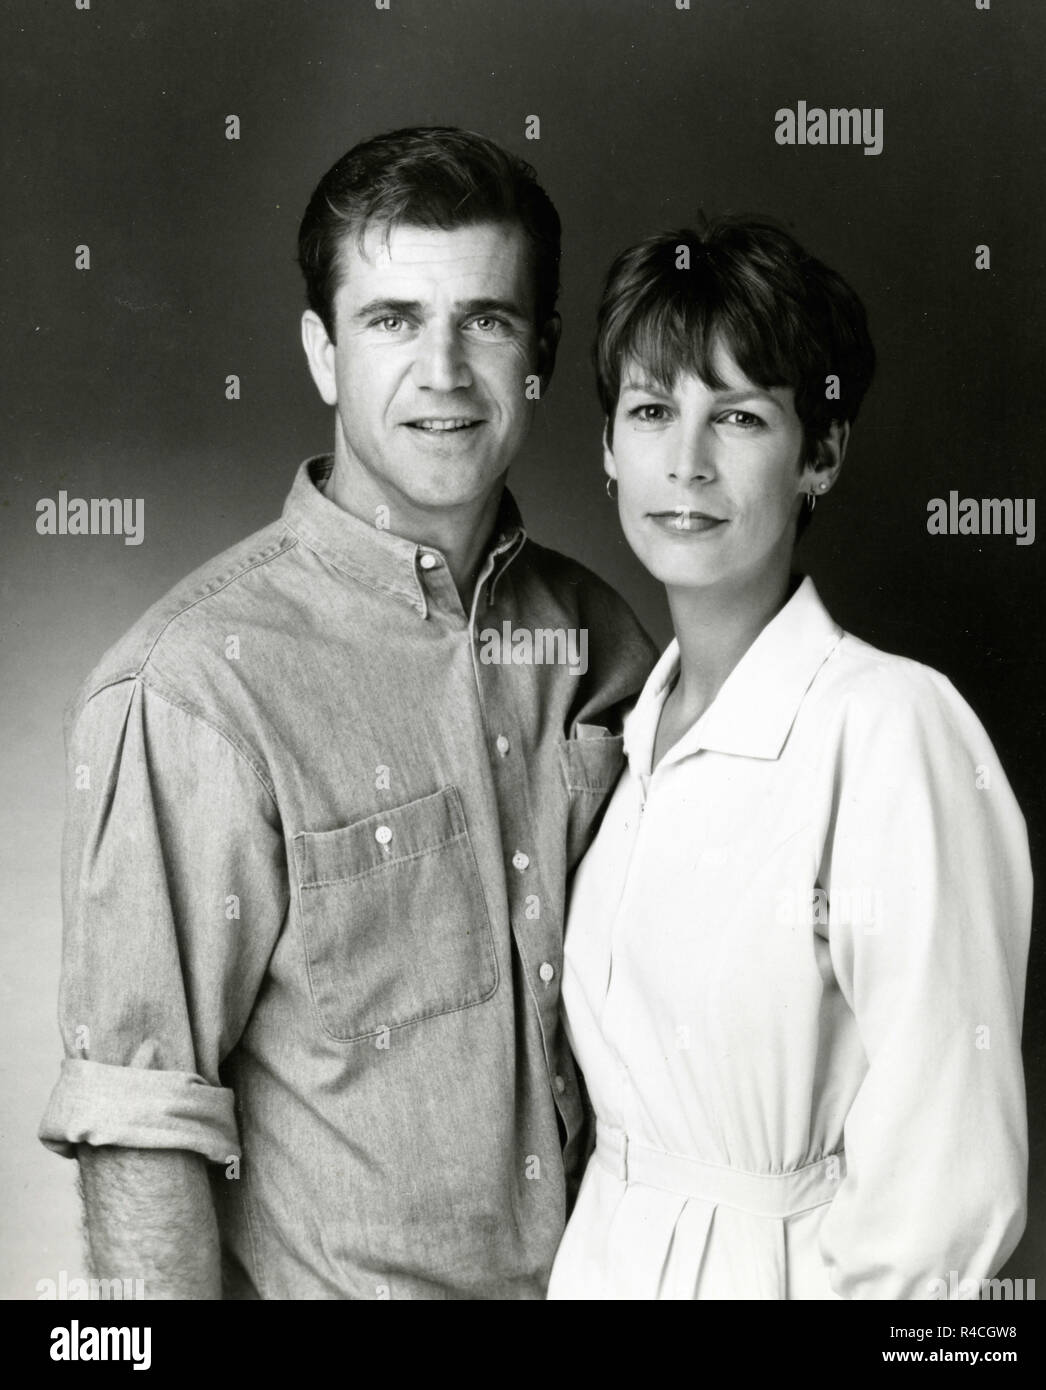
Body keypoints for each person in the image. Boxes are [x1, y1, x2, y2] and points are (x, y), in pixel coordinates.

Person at [38, 127, 657, 1300]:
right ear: (322, 353)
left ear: (542, 353)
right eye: (390, 321)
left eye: (485, 319)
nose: (442, 370)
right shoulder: (195, 689)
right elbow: (140, 1121)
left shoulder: (604, 641)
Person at [547, 217, 1032, 1300]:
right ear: (607, 449)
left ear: (819, 451)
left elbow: (941, 1197)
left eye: (739, 417)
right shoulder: (624, 731)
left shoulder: (889, 727)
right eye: (651, 410)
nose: (686, 461)